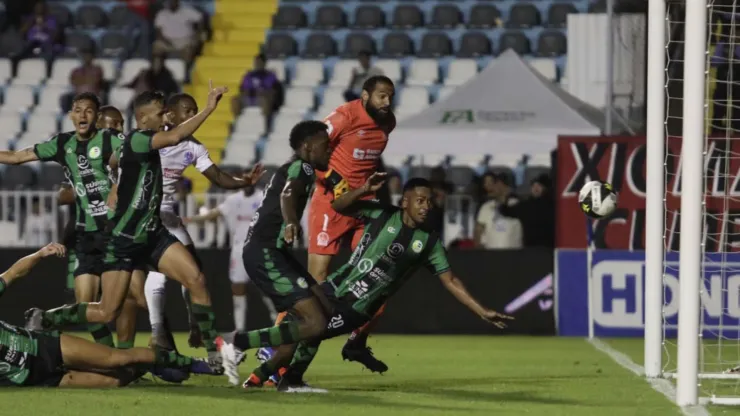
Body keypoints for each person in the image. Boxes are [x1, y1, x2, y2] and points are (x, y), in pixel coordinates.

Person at [224, 177, 513, 392]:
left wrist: (481, 310)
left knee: (308, 331)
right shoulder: (382, 214)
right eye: (420, 200)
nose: (426, 207)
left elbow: (450, 279)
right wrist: (362, 190)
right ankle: (268, 372)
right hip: (334, 286)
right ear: (405, 202)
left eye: (429, 201)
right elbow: (339, 205)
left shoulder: (428, 242)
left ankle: (255, 361)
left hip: (357, 306)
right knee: (305, 330)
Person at [24, 82, 230, 373]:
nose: (167, 117)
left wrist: (115, 180)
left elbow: (123, 161)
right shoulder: (139, 139)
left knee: (195, 279)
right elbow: (177, 135)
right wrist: (209, 107)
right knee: (107, 310)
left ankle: (214, 352)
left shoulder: (137, 141)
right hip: (124, 239)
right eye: (162, 113)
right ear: (145, 119)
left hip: (154, 233)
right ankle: (47, 319)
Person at [138, 92, 264, 350]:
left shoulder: (193, 147)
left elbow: (218, 177)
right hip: (140, 216)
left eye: (195, 111)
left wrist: (244, 182)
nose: (193, 116)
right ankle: (157, 331)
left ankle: (195, 324)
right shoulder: (148, 140)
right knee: (157, 274)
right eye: (188, 111)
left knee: (194, 272)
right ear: (170, 115)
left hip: (167, 216)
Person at [0, 93, 123, 350]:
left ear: (97, 116)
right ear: (70, 114)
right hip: (87, 235)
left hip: (118, 232)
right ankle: (114, 359)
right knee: (87, 307)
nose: (82, 115)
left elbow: (135, 160)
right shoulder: (61, 144)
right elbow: (16, 157)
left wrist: (116, 186)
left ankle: (47, 319)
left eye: (89, 111)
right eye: (78, 110)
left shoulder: (110, 139)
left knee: (122, 303)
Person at [0, 243, 218, 388]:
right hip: (32, 378)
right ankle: (153, 364)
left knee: (117, 359)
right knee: (115, 381)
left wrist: (39, 254)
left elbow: (13, 273)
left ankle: (194, 364)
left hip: (40, 347)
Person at [217, 120, 333, 387]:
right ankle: (234, 341)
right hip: (265, 252)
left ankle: (261, 379)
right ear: (307, 147)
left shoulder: (296, 167)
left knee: (323, 313)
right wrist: (291, 221)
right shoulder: (301, 167)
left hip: (274, 251)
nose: (329, 150)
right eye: (325, 145)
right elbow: (288, 195)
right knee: (314, 323)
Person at [303, 75, 396, 373]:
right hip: (331, 204)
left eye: (391, 96)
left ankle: (356, 343)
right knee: (315, 283)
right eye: (382, 96)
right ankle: (279, 354)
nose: (387, 102)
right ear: (365, 95)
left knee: (378, 281)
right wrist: (333, 180)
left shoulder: (387, 122)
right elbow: (309, 150)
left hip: (363, 208)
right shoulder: (344, 116)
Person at [184, 172, 277, 331]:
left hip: (258, 247)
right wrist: (190, 220)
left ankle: (276, 318)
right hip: (238, 248)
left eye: (250, 181)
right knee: (237, 287)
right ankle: (239, 329)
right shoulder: (234, 200)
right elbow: (214, 214)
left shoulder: (262, 197)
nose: (247, 184)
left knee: (264, 286)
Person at [231, 54, 282, 135]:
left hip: (262, 99)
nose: (258, 64)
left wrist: (260, 92)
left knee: (266, 100)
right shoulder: (249, 75)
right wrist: (249, 92)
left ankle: (266, 126)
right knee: (234, 100)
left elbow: (272, 90)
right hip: (249, 98)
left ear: (264, 64)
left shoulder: (270, 75)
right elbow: (243, 89)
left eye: (260, 62)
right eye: (256, 62)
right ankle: (236, 124)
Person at [12, 0, 62, 77]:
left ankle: (48, 76)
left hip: (46, 44)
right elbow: (21, 33)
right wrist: (30, 23)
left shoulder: (51, 19)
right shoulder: (29, 18)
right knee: (16, 57)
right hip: (31, 44)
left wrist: (45, 26)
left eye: (41, 7)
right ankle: (14, 75)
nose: (39, 9)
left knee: (49, 57)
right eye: (37, 7)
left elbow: (55, 36)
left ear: (45, 8)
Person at [474, 172, 522, 249]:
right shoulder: (486, 206)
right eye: (496, 184)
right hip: (490, 254)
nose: (498, 187)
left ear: (508, 187)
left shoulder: (518, 205)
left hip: (514, 254)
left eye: (502, 184)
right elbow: (478, 230)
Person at [153, 0, 204, 66]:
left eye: (174, 2)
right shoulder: (162, 13)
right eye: (170, 2)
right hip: (167, 40)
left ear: (178, 2)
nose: (172, 4)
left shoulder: (187, 11)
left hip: (185, 40)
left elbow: (200, 19)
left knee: (190, 48)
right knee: (157, 46)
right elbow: (158, 31)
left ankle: (187, 70)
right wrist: (165, 40)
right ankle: (158, 69)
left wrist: (198, 33)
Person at [60, 48, 104, 113]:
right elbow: (74, 82)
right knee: (65, 98)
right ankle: (68, 117)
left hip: (93, 96)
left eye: (88, 56)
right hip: (77, 96)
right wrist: (87, 79)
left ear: (92, 57)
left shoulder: (97, 69)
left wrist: (82, 80)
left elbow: (95, 81)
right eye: (84, 56)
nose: (86, 58)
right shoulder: (76, 71)